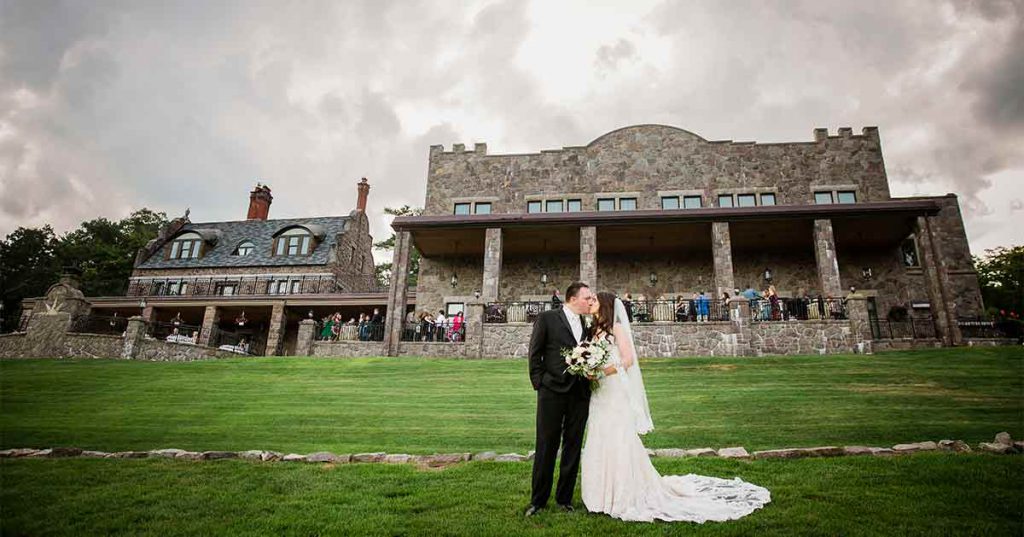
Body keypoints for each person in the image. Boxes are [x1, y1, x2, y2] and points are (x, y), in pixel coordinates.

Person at [580, 291, 771, 522]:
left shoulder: (617, 329)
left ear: (606, 306)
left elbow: (628, 359)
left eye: (595, 300)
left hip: (614, 391)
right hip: (600, 393)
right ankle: (600, 494)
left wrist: (603, 370)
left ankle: (623, 494)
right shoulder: (593, 330)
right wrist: (588, 369)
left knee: (619, 437)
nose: (591, 303)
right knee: (600, 436)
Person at [525, 281, 595, 517]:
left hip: (580, 393)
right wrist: (540, 383)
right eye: (587, 297)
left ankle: (564, 499)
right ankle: (538, 501)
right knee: (546, 445)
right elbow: (535, 353)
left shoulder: (589, 324)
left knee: (573, 446)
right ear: (573, 298)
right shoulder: (547, 318)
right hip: (551, 392)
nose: (590, 301)